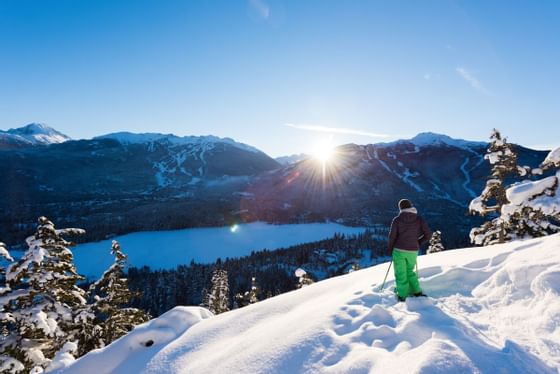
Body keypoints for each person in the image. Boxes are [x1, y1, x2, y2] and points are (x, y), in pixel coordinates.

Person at [387, 199, 432, 302]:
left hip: (399, 250)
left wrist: (390, 248)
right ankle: (417, 291)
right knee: (410, 272)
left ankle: (402, 295)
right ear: (410, 206)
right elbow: (428, 235)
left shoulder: (397, 220)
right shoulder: (419, 219)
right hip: (413, 250)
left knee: (401, 273)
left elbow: (392, 236)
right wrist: (418, 242)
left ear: (401, 208)